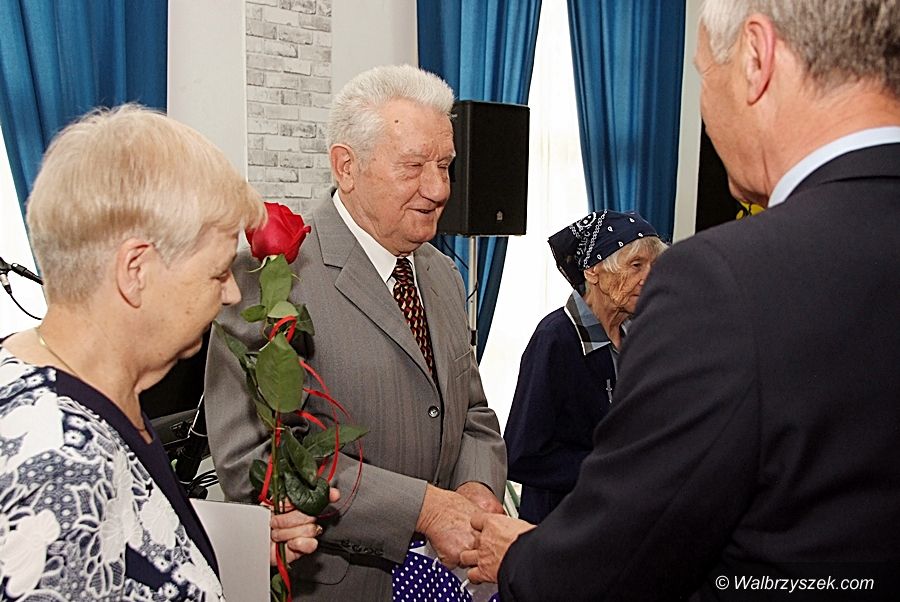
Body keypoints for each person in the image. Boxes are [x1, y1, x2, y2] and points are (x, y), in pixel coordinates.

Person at [460, 0, 900, 599]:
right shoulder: (560, 336)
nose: (703, 110)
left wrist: (520, 559)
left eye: (701, 75)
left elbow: (634, 545)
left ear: (756, 57)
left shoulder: (723, 281)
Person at [0, 105, 328, 600]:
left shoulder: (91, 391)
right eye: (218, 272)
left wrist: (228, 548)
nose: (231, 294)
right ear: (136, 270)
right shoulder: (59, 466)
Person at [205, 64, 507, 600]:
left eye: (445, 165)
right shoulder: (270, 279)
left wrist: (476, 489)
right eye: (413, 166)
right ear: (347, 166)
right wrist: (424, 509)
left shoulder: (441, 273)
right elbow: (255, 459)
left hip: (449, 582)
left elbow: (472, 413)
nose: (438, 189)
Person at [504, 211, 665, 523]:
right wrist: (613, 469)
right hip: (564, 526)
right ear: (592, 271)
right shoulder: (556, 339)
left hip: (623, 522)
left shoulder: (641, 335)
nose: (649, 277)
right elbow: (521, 455)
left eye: (654, 266)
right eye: (636, 265)